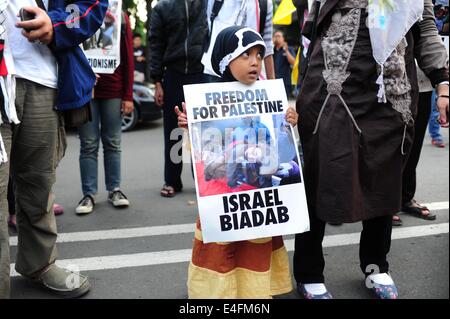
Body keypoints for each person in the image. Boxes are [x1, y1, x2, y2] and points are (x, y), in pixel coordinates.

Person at [294, 0, 448, 299]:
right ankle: (308, 271)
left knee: (385, 178)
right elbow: (311, 25)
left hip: (390, 91)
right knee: (322, 175)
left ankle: (376, 266)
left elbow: (426, 27)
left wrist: (443, 83)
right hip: (333, 88)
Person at [176, 26, 299, 299]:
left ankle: (254, 292)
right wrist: (189, 125)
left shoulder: (268, 99)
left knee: (255, 243)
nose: (255, 61)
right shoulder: (207, 100)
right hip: (223, 200)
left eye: (259, 54)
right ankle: (215, 292)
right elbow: (201, 155)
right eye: (245, 54)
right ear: (225, 59)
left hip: (257, 198)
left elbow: (281, 149)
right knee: (221, 245)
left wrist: (287, 124)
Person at [0, 0, 107, 299]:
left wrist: (57, 25)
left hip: (42, 79)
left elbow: (91, 4)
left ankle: (40, 263)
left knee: (39, 182)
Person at [76, 11, 134, 215]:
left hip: (113, 89)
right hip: (85, 89)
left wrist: (128, 95)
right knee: (88, 144)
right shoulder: (78, 11)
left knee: (113, 142)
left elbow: (128, 57)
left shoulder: (120, 15)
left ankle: (115, 190)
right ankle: (89, 194)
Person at [149, 0, 207, 198]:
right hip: (173, 75)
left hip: (202, 73)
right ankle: (172, 181)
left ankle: (202, 179)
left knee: (202, 131)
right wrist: (157, 82)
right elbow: (155, 44)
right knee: (174, 131)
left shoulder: (208, 4)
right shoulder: (162, 7)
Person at [392, 67, 440, 227]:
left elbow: (432, 44)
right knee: (389, 148)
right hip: (390, 83)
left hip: (423, 84)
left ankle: (405, 197)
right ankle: (385, 202)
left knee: (414, 146)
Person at [203, 0, 276, 81]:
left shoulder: (265, 4)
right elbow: (203, 28)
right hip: (214, 73)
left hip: (249, 77)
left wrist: (272, 85)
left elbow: (267, 46)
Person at [273, 30, 296, 98]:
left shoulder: (289, 49)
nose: (277, 38)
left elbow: (294, 63)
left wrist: (286, 51)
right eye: (275, 36)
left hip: (285, 82)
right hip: (273, 82)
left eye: (279, 36)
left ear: (283, 38)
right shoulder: (271, 50)